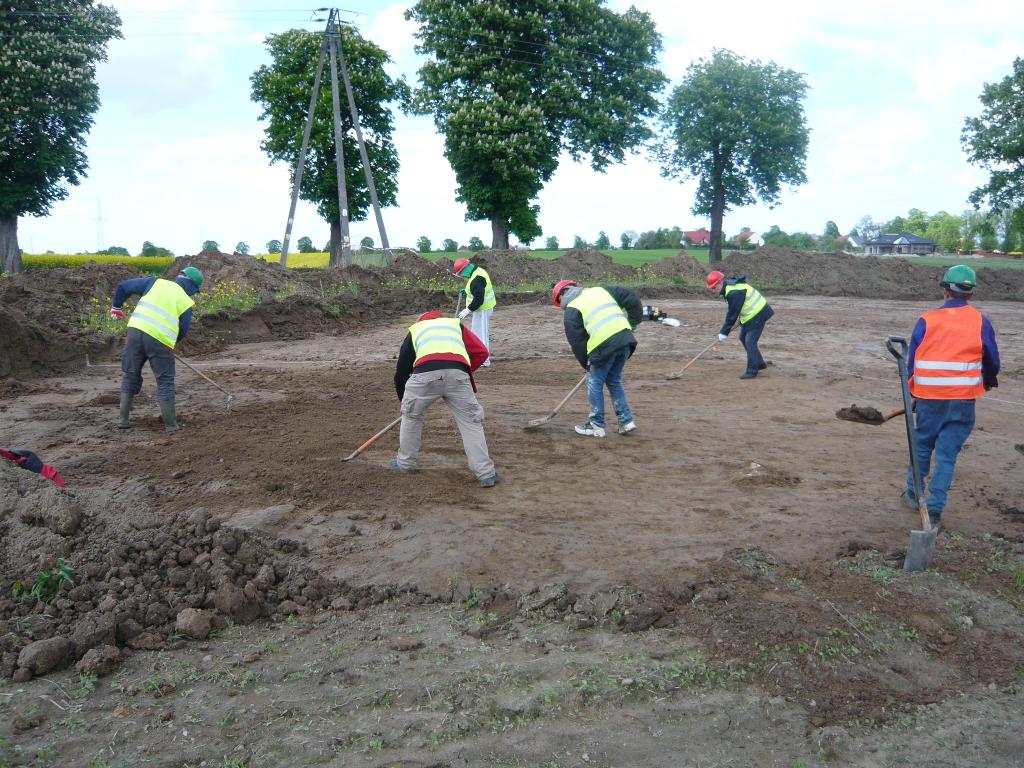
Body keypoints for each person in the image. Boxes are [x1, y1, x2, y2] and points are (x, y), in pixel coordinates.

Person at [902, 264, 1000, 532]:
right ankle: (934, 510)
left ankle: (913, 493)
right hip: (962, 401)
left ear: (946, 290)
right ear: (971, 294)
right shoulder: (981, 322)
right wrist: (988, 381)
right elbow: (991, 360)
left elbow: (913, 361)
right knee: (947, 456)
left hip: (929, 399)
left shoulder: (927, 320)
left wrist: (915, 392)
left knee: (922, 446)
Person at [389, 310, 499, 487]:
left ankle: (405, 464)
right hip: (458, 375)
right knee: (471, 423)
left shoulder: (416, 329)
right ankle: (486, 473)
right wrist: (461, 373)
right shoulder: (455, 325)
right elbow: (481, 352)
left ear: (421, 321)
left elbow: (402, 370)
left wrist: (406, 404)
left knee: (411, 419)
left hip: (424, 375)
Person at [110, 266, 204, 433]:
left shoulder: (154, 283)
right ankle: (171, 425)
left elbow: (123, 286)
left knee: (130, 374)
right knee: (165, 381)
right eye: (194, 291)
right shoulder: (185, 301)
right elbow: (182, 330)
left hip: (134, 333)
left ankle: (123, 420)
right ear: (191, 286)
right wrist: (170, 344)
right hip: (160, 341)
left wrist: (116, 307)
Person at [552, 279, 642, 438]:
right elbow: (632, 298)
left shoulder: (571, 311)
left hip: (604, 346)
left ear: (561, 297)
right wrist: (632, 323)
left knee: (594, 382)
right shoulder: (601, 289)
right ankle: (626, 421)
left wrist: (587, 365)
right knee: (613, 380)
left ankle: (596, 425)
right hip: (626, 340)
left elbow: (578, 343)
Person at [707, 270, 774, 379]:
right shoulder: (727, 288)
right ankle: (759, 363)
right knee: (743, 337)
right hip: (750, 315)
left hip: (758, 313)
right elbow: (735, 309)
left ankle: (752, 370)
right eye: (711, 288)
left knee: (750, 341)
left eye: (714, 287)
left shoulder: (733, 292)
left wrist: (724, 332)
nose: (713, 290)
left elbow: (732, 314)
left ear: (720, 282)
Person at [452, 257, 496, 368]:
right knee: (476, 334)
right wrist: (466, 291)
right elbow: (475, 289)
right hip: (480, 310)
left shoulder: (477, 279)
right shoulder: (476, 271)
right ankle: (479, 357)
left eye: (461, 273)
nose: (462, 275)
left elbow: (478, 300)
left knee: (481, 336)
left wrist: (467, 310)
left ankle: (485, 361)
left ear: (466, 268)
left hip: (483, 310)